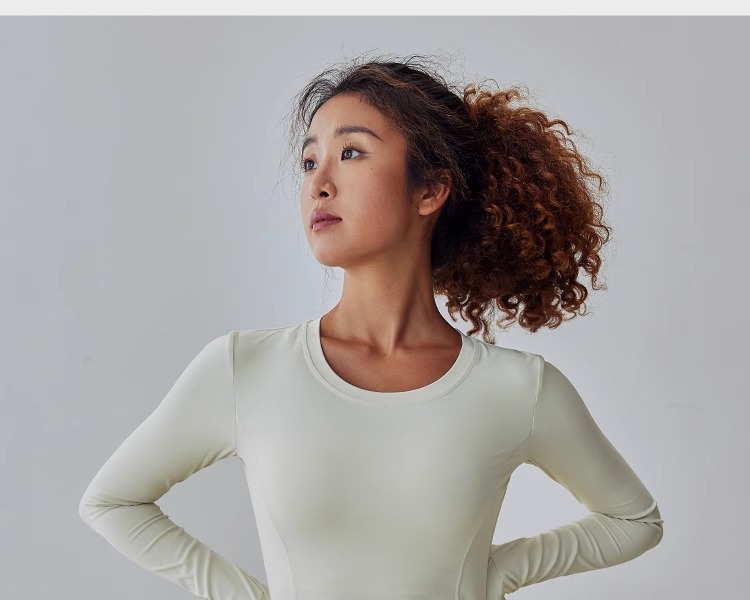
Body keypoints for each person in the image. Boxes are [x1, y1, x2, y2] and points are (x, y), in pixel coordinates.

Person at [79, 53, 664, 600]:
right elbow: (112, 502)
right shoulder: (244, 368)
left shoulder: (518, 388)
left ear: (430, 190)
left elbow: (634, 520)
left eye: (352, 153)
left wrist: (496, 573)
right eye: (309, 161)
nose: (318, 183)